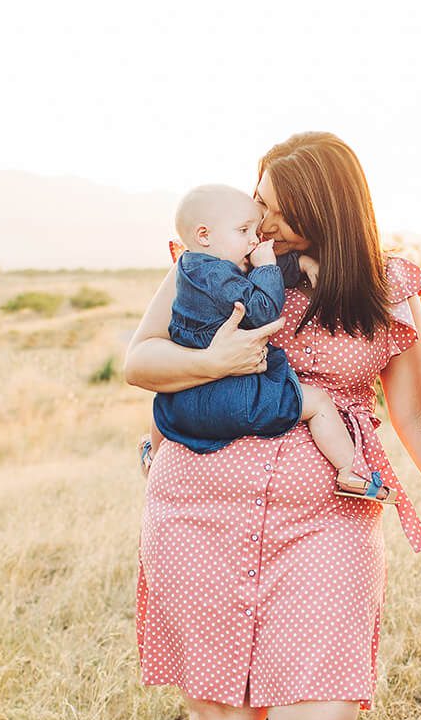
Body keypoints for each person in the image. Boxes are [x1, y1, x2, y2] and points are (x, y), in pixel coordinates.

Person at [128, 132, 421, 720]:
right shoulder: (212, 268)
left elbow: (413, 414)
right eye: (259, 199)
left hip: (328, 516)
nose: (264, 216)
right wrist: (219, 360)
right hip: (198, 505)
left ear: (325, 204)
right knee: (219, 712)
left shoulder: (387, 286)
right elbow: (141, 361)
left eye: (278, 203)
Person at [146, 183, 393, 503]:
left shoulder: (195, 264)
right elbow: (260, 308)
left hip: (182, 398)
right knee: (316, 402)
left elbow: (253, 266)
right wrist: (266, 268)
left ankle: (151, 455)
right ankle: (350, 471)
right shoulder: (217, 277)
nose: (255, 237)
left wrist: (299, 264)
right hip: (229, 390)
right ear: (204, 235)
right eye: (244, 230)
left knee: (163, 400)